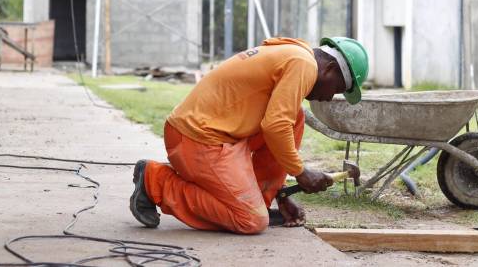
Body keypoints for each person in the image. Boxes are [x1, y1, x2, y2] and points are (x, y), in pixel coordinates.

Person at [129, 36, 369, 234]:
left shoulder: (295, 52)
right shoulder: (303, 64)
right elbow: (275, 126)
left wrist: (280, 194)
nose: (329, 97)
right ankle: (155, 180)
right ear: (330, 68)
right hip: (197, 139)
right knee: (251, 221)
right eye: (337, 89)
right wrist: (301, 172)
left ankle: (262, 198)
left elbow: (277, 122)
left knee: (294, 116)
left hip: (215, 133)